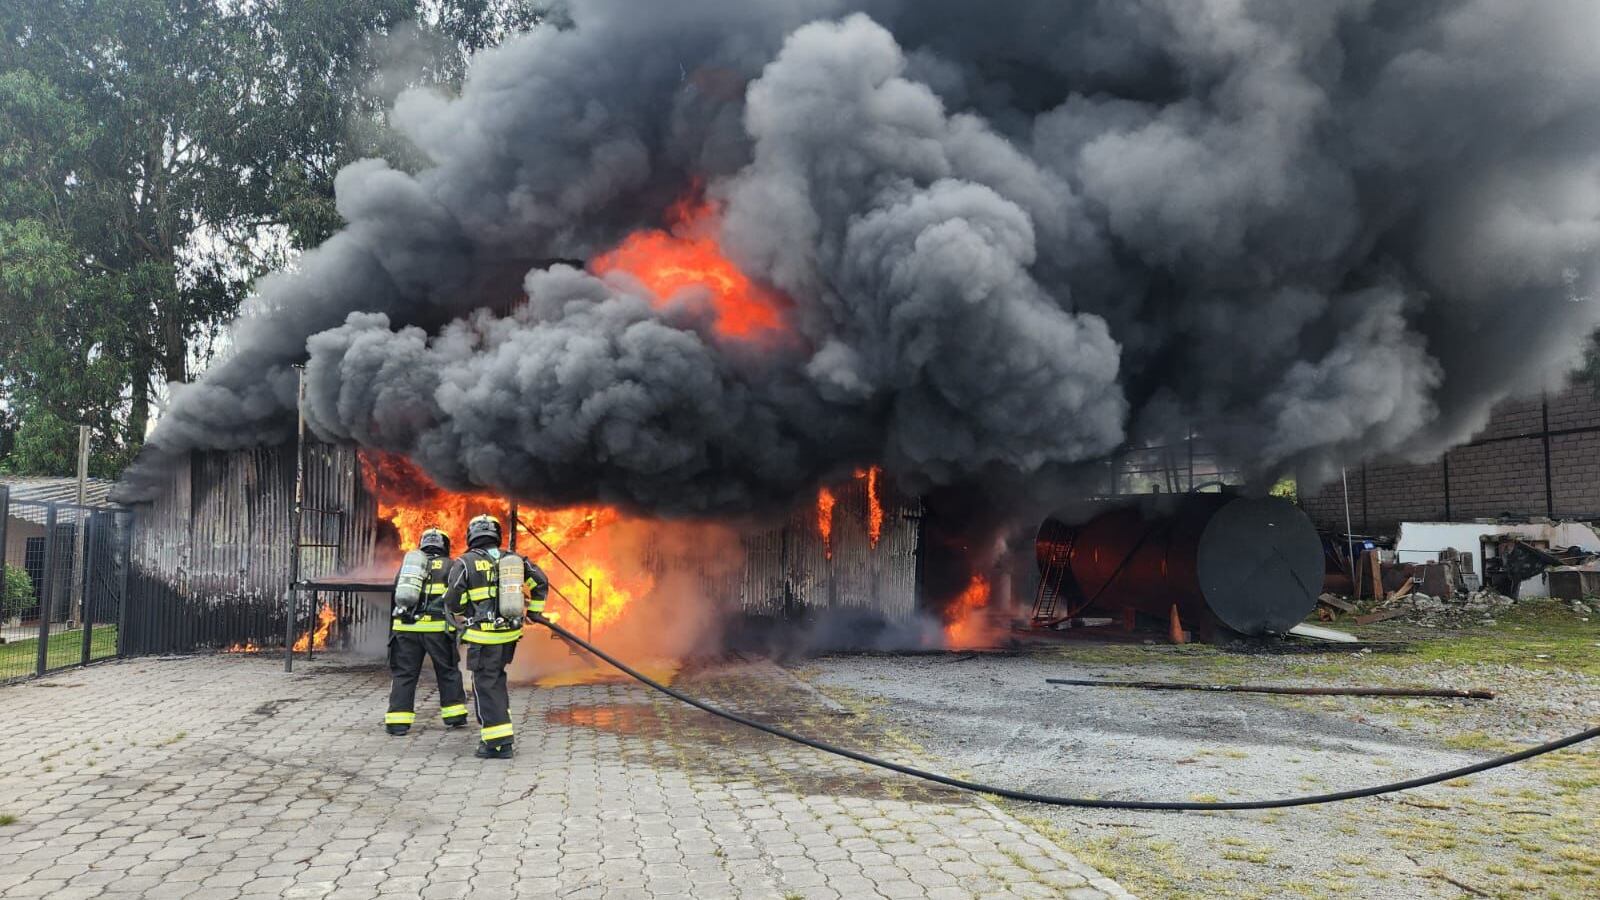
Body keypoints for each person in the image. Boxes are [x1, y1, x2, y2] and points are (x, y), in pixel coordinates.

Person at [442, 514, 549, 759]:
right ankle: (500, 729)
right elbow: (540, 581)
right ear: (496, 535)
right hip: (509, 636)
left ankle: (498, 743)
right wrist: (533, 612)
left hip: (483, 638)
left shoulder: (465, 562)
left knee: (486, 685)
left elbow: (453, 599)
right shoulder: (514, 559)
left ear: (472, 536)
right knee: (496, 680)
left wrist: (463, 612)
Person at [385, 528, 469, 735]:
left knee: (404, 674)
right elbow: (457, 596)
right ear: (445, 546)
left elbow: (396, 596)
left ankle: (397, 723)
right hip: (437, 630)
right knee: (448, 671)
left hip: (405, 629)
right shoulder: (452, 565)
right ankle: (454, 716)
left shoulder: (408, 566)